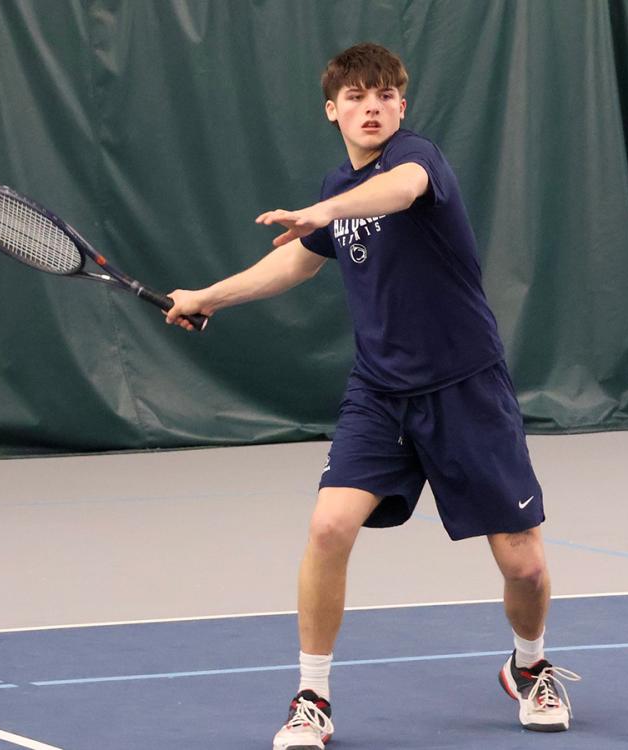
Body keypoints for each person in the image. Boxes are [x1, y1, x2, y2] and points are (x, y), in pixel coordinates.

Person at [165, 42, 579, 750]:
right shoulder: (339, 191)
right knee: (328, 527)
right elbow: (292, 263)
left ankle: (529, 664)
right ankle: (312, 699)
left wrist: (324, 208)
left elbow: (400, 190)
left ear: (402, 107)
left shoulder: (418, 162)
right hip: (381, 393)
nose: (372, 107)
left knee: (525, 564)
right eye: (356, 98)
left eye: (384, 95)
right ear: (333, 110)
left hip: (465, 388)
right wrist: (210, 296)